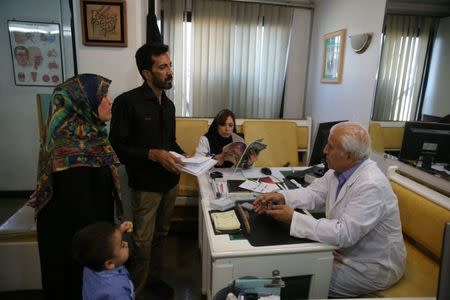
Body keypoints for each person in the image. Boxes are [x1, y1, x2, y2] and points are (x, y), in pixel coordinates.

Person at [253, 122, 406, 297]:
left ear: (348, 156)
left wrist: (293, 218)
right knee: (286, 267)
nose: (324, 150)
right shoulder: (338, 172)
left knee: (295, 281)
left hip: (369, 268)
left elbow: (344, 233)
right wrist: (282, 196)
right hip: (342, 254)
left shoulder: (371, 185)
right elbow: (313, 194)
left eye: (331, 147)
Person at [27, 74, 123, 299]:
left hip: (89, 240)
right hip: (75, 247)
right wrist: (108, 245)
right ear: (82, 103)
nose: (110, 101)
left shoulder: (93, 136)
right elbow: (80, 213)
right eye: (103, 96)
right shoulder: (71, 150)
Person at [109, 43, 186, 299]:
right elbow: (117, 148)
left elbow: (170, 143)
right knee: (142, 241)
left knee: (162, 235)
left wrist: (187, 158)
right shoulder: (126, 102)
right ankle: (136, 292)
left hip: (170, 182)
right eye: (162, 67)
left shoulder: (169, 105)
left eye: (170, 65)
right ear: (146, 72)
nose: (169, 71)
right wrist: (151, 154)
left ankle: (154, 280)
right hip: (146, 186)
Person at [72, 221, 135, 300]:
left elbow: (103, 244)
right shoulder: (118, 293)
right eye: (121, 245)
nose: (126, 244)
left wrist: (119, 232)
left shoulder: (91, 264)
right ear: (109, 263)